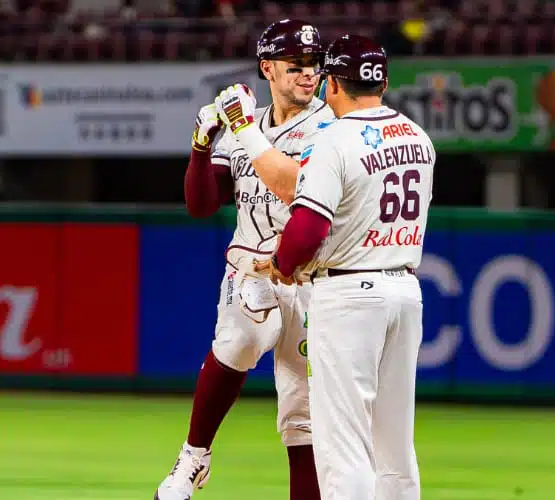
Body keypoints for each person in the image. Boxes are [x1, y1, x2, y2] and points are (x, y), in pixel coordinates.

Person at [215, 34, 435, 500]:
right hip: (405, 291)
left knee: (342, 445)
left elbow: (309, 223)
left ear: (333, 84)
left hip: (349, 295)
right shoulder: (418, 137)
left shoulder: (335, 138)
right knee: (394, 444)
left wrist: (281, 263)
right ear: (383, 82)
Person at [155, 18, 334, 500]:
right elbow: (202, 204)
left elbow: (295, 186)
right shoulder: (244, 123)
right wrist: (200, 144)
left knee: (303, 416)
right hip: (249, 263)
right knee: (241, 335)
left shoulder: (330, 127)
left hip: (309, 273)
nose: (308, 74)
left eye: (314, 65)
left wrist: (237, 127)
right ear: (268, 68)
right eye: (296, 65)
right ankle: (193, 458)